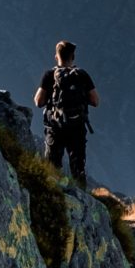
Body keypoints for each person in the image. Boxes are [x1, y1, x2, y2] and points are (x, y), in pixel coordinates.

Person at [35, 40, 101, 185]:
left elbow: (38, 101)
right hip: (76, 127)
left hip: (54, 126)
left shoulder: (49, 75)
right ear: (73, 57)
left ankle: (52, 197)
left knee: (52, 168)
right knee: (78, 169)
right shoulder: (82, 75)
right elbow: (95, 101)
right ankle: (82, 200)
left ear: (56, 57)